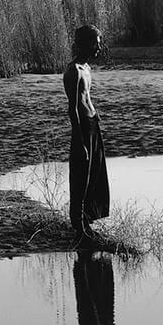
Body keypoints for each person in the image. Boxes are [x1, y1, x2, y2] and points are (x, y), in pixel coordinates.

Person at [63, 24, 110, 243]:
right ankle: (78, 225)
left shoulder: (87, 68)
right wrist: (79, 140)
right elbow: (73, 108)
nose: (99, 48)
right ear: (86, 43)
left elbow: (87, 98)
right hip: (81, 127)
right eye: (96, 44)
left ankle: (88, 222)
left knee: (95, 174)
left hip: (92, 124)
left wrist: (96, 116)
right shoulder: (72, 71)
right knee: (81, 175)